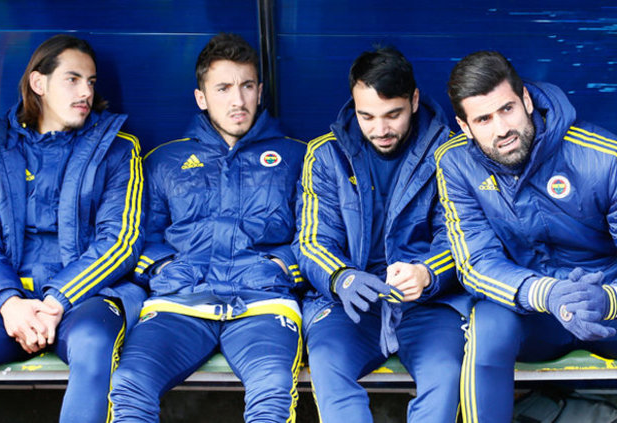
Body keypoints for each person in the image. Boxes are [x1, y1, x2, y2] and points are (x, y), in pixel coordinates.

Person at [109, 33, 307, 422]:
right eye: (223, 88)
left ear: (260, 91)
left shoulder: (297, 157)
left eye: (247, 86)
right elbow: (138, 237)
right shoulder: (164, 160)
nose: (238, 100)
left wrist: (281, 266)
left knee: (272, 390)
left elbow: (314, 237)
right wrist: (162, 267)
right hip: (179, 302)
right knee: (130, 384)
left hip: (262, 303)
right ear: (201, 97)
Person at [438, 50, 617, 422]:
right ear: (464, 126)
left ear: (526, 100)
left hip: (604, 306)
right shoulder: (455, 163)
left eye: (507, 109)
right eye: (483, 119)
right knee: (488, 325)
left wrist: (607, 299)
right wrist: (545, 293)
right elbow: (476, 263)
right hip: (533, 310)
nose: (502, 129)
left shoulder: (602, 157)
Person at [293, 46, 468, 423]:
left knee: (444, 374)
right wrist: (342, 277)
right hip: (351, 303)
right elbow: (311, 240)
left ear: (414, 100)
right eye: (366, 116)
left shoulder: (450, 153)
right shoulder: (326, 155)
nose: (380, 129)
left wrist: (428, 272)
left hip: (428, 303)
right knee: (327, 363)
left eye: (393, 114)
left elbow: (462, 238)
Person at [0, 34, 145, 422]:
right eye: (72, 79)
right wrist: (10, 304)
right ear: (38, 83)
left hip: (84, 300)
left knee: (94, 343)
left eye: (91, 81)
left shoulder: (119, 150)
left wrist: (56, 303)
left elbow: (120, 241)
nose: (86, 92)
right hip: (6, 303)